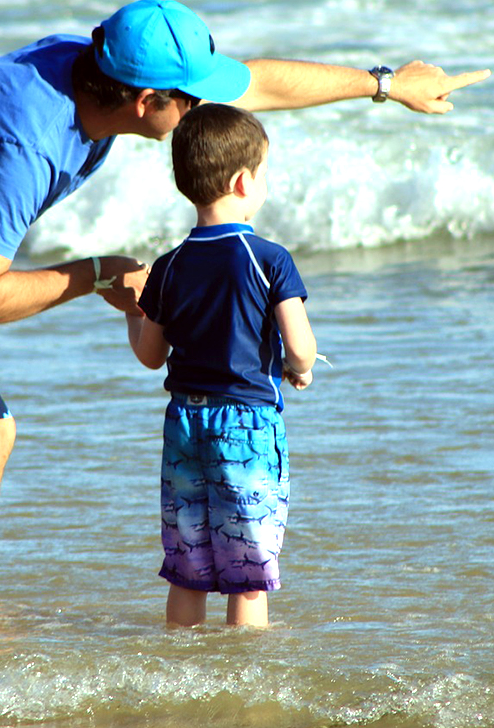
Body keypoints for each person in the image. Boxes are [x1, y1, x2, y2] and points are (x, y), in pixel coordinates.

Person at [0, 0, 490, 620]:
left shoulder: (100, 70)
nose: (204, 108)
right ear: (145, 102)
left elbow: (258, 82)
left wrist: (385, 85)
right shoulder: (26, 139)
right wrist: (95, 274)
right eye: (190, 99)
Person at [125, 103, 317, 628]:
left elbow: (149, 355)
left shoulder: (169, 265)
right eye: (263, 175)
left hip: (185, 422)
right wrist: (297, 368)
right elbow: (300, 348)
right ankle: (240, 690)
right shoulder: (268, 257)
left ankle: (180, 673)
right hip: (246, 426)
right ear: (241, 182)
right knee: (247, 574)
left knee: (189, 567)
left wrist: (130, 310)